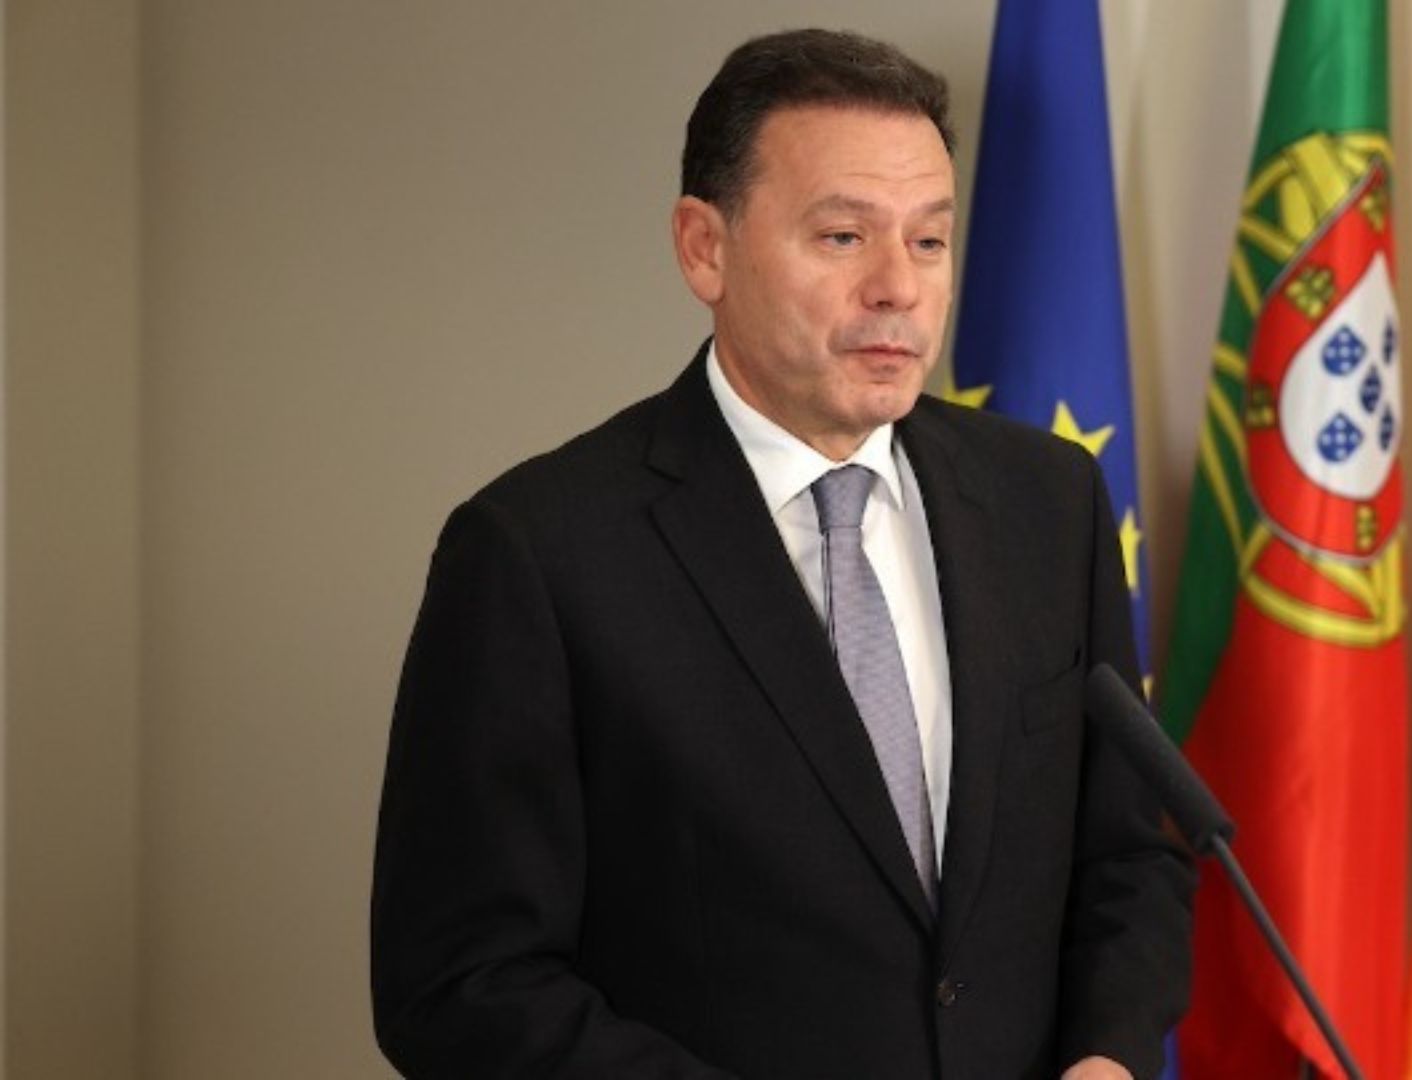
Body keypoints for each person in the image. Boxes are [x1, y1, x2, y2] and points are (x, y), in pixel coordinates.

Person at [371, 28, 1193, 1080]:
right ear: (704, 249)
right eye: (844, 236)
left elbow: (1126, 857)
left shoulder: (1047, 501)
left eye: (929, 241)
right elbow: (460, 983)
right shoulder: (537, 552)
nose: (897, 287)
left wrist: (1108, 1056)